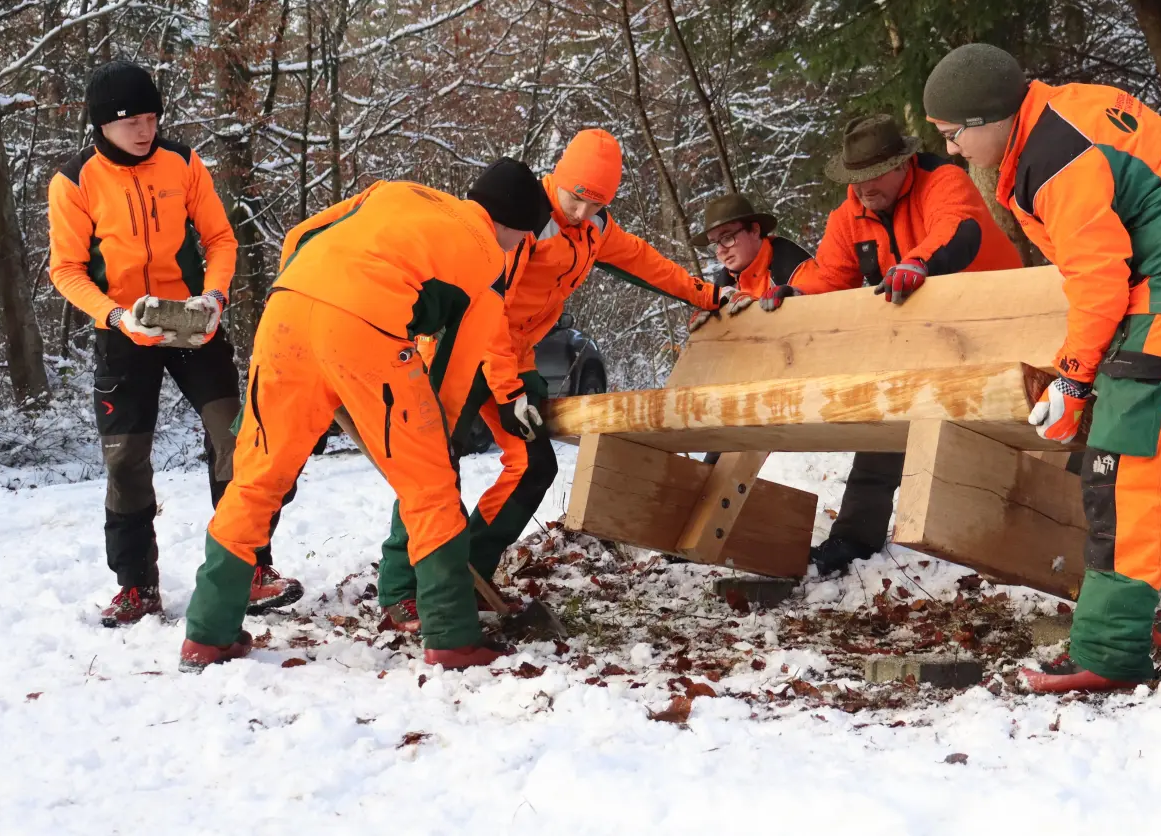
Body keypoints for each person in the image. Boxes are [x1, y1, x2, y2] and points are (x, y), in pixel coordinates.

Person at [922, 43, 1161, 693]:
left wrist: (1073, 377)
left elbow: (1097, 277)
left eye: (952, 135)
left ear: (987, 119)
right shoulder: (1059, 119)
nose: (951, 151)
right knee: (1153, 455)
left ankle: (1110, 651)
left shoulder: (1056, 157)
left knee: (1121, 466)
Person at [180, 159, 549, 670]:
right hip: (365, 328)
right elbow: (453, 371)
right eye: (523, 237)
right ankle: (454, 638)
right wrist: (426, 443)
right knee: (431, 486)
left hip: (286, 307)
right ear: (511, 226)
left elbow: (302, 235)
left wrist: (309, 304)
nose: (518, 248)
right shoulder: (488, 260)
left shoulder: (398, 189)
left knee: (257, 478)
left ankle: (206, 634)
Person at [374, 130, 725, 633]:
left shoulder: (595, 229)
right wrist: (511, 389)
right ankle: (400, 589)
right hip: (461, 348)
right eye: (576, 197)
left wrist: (707, 296)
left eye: (596, 203)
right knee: (432, 466)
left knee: (533, 465)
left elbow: (646, 263)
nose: (581, 212)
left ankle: (464, 570)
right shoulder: (524, 219)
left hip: (514, 357)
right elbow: (486, 306)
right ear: (558, 180)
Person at [47, 60, 301, 628]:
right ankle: (136, 586)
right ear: (101, 126)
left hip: (193, 322)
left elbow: (219, 238)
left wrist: (214, 297)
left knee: (235, 437)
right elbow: (65, 270)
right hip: (123, 332)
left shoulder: (183, 162)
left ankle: (250, 568)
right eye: (131, 121)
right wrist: (114, 315)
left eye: (151, 117)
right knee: (125, 461)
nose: (144, 129)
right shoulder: (74, 180)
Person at [760, 113, 1023, 577]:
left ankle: (1039, 528)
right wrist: (796, 293)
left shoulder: (944, 181)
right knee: (886, 416)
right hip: (927, 336)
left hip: (1004, 327)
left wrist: (919, 263)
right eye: (854, 178)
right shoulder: (849, 215)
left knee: (1030, 430)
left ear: (904, 164)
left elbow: (957, 229)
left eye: (871, 175)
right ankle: (855, 538)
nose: (862, 187)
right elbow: (830, 278)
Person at [686, 193, 811, 333]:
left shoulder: (793, 263)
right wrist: (708, 330)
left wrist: (798, 297)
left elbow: (824, 297)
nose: (720, 250)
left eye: (727, 237)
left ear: (754, 230)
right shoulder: (723, 287)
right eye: (714, 244)